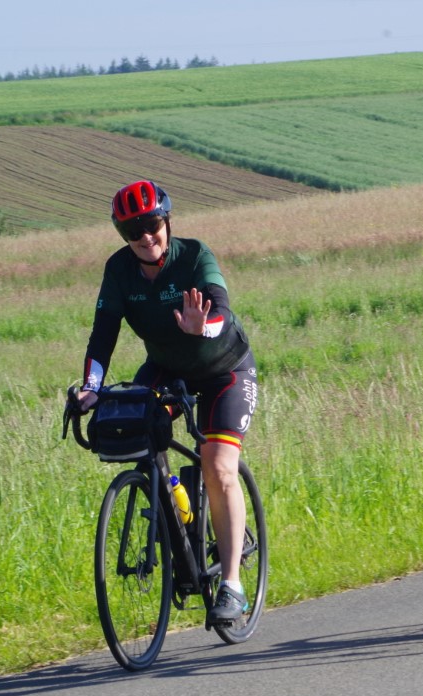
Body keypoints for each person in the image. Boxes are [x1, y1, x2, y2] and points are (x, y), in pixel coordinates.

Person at [76, 179, 258, 623]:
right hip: (167, 369)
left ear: (167, 221)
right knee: (135, 431)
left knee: (218, 465)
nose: (144, 236)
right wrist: (91, 387)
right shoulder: (119, 270)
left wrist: (202, 327)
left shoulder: (194, 256)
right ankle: (180, 506)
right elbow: (103, 335)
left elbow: (221, 311)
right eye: (131, 230)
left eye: (151, 224)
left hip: (224, 369)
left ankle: (232, 586)